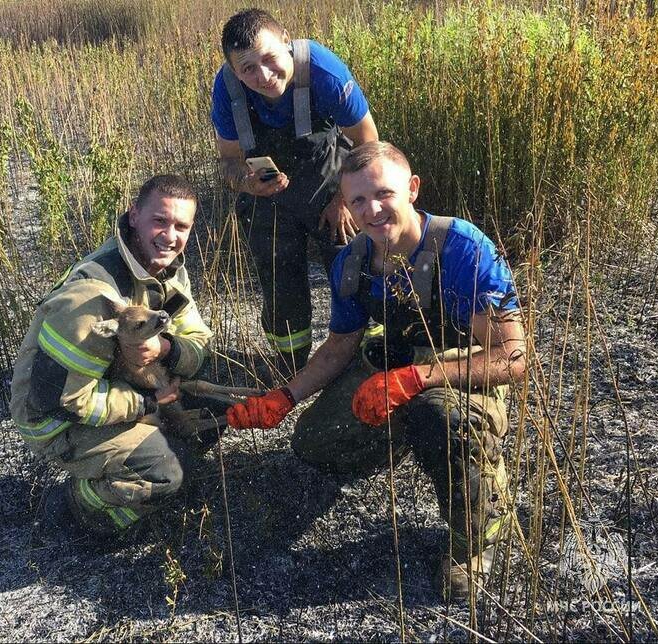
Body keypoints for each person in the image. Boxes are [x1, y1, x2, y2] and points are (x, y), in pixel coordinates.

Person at [226, 142, 527, 599]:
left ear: (412, 189)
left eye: (383, 194)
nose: (373, 210)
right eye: (358, 201)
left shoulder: (463, 249)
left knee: (442, 420)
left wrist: (416, 381)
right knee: (314, 445)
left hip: (459, 374)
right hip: (395, 366)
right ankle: (408, 432)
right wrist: (284, 396)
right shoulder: (352, 261)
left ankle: (477, 536)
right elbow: (339, 349)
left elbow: (513, 357)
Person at [10, 174, 216, 536]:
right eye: (160, 221)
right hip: (57, 422)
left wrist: (166, 348)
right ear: (134, 215)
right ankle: (82, 508)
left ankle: (156, 456)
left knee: (218, 400)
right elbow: (68, 401)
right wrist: (150, 402)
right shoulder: (91, 299)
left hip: (122, 389)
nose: (170, 236)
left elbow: (197, 338)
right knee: (166, 474)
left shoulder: (166, 272)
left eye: (181, 226)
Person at [211, 8, 379, 375]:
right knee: (278, 280)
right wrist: (247, 182)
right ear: (233, 69)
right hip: (269, 197)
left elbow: (368, 142)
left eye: (269, 59)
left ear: (286, 41)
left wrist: (344, 200)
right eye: (248, 69)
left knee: (353, 268)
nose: (264, 76)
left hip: (328, 182)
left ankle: (367, 356)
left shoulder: (323, 71)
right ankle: (290, 365)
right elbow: (228, 162)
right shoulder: (226, 89)